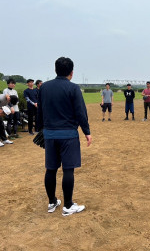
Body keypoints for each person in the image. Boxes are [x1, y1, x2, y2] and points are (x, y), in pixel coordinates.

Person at [37, 57, 92, 216]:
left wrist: (41, 130)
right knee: (68, 169)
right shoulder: (73, 88)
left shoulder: (44, 88)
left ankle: (52, 202)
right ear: (71, 72)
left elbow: (40, 112)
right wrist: (86, 132)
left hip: (49, 134)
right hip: (68, 134)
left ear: (55, 70)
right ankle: (68, 205)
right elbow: (81, 113)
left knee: (51, 169)